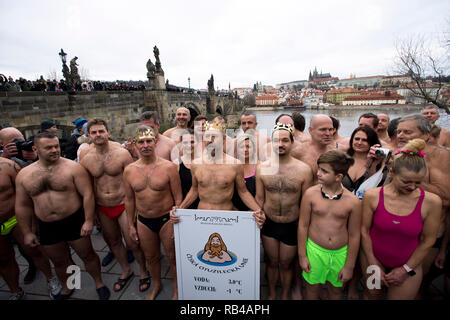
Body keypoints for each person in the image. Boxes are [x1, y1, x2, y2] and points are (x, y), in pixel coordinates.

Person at [15, 131, 110, 300]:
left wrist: (88, 220)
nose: (54, 150)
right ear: (35, 148)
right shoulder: (24, 175)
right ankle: (71, 284)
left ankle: (98, 282)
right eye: (48, 147)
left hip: (73, 220)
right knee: (60, 261)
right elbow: (22, 205)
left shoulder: (73, 168)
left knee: (88, 255)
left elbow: (87, 194)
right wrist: (27, 232)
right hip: (47, 225)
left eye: (56, 146)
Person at [360, 138, 442, 300]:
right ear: (391, 172)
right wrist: (373, 262)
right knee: (372, 294)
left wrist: (406, 269)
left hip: (409, 264)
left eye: (418, 182)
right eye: (406, 181)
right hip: (373, 259)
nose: (412, 187)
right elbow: (364, 230)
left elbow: (428, 240)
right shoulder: (373, 196)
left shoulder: (432, 202)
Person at [79, 119, 150, 293]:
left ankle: (143, 271)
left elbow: (133, 180)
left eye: (101, 131)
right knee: (113, 242)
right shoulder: (85, 157)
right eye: (94, 132)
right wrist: (91, 213)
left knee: (133, 242)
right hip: (102, 205)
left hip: (123, 204)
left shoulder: (121, 154)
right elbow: (87, 187)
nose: (98, 135)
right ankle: (126, 270)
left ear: (108, 133)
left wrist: (136, 206)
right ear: (88, 135)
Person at [123, 126, 182, 300]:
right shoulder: (129, 170)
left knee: (172, 256)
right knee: (151, 257)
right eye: (141, 142)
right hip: (144, 220)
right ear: (135, 145)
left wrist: (176, 214)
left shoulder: (169, 167)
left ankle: (177, 288)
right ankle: (156, 284)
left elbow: (178, 198)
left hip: (166, 220)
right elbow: (129, 200)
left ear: (155, 143)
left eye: (149, 141)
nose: (145, 145)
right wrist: (130, 225)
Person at [256, 122, 313, 300]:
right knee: (272, 262)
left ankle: (285, 295)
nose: (280, 144)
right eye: (276, 140)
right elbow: (259, 199)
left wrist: (304, 226)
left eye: (284, 140)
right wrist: (258, 215)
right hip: (269, 224)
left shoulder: (304, 170)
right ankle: (272, 294)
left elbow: (306, 202)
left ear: (292, 142)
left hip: (291, 225)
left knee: (287, 264)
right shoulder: (262, 168)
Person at [172, 120, 265, 229]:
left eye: (214, 137)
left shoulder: (235, 164)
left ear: (224, 139)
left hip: (226, 219)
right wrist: (179, 209)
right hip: (202, 217)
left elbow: (243, 192)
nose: (210, 140)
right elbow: (194, 190)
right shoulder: (196, 164)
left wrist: (258, 211)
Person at [396, 114, 450, 298]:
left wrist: (409, 179)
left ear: (427, 135)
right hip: (397, 231)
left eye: (408, 132)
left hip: (427, 236)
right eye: (399, 132)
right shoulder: (399, 154)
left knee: (416, 286)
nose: (401, 136)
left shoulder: (441, 156)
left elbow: (446, 198)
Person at [298, 150, 361, 300]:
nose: (318, 173)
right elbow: (303, 225)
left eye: (324, 171)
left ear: (339, 176)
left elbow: (354, 235)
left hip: (340, 254)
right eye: (319, 168)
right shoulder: (310, 194)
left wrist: (349, 266)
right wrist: (302, 256)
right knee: (311, 290)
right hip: (314, 251)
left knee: (336, 292)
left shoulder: (353, 201)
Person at [0, 157, 62, 300]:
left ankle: (51, 278)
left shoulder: (8, 166)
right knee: (3, 259)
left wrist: (33, 224)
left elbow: (27, 194)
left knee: (34, 250)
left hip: (15, 218)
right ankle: (15, 291)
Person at [291, 114, 335, 184]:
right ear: (310, 130)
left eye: (330, 129)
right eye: (323, 129)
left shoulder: (335, 153)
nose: (328, 133)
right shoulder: (298, 152)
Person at [342, 126, 383, 193]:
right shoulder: (341, 159)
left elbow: (373, 185)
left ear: (372, 142)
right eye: (357, 139)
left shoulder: (379, 162)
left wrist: (373, 165)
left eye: (365, 140)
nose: (359, 143)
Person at [232, 133, 258, 211]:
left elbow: (262, 196)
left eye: (248, 146)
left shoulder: (260, 167)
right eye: (242, 147)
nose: (245, 150)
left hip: (254, 212)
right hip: (233, 213)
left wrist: (255, 210)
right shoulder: (232, 166)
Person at [175, 129, 199, 209]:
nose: (189, 145)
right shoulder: (176, 164)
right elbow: (175, 191)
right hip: (184, 208)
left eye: (192, 142)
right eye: (185, 142)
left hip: (202, 208)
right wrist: (178, 207)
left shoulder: (204, 163)